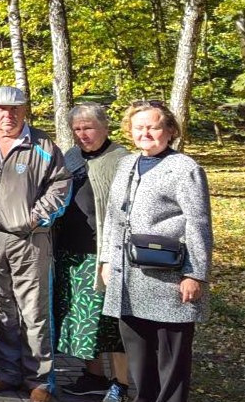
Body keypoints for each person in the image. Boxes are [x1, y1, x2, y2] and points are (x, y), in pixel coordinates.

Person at [100, 101, 212, 402]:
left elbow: (198, 222)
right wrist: (107, 259)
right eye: (139, 127)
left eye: (153, 126)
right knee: (139, 360)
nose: (145, 133)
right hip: (129, 282)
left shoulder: (185, 168)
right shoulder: (126, 164)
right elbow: (112, 216)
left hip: (169, 282)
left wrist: (195, 274)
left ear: (170, 130)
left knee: (171, 363)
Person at [0, 86, 72, 401]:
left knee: (34, 310)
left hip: (31, 240)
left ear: (24, 111)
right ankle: (7, 372)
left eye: (15, 109)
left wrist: (33, 219)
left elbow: (61, 185)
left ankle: (39, 380)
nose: (7, 115)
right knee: (3, 308)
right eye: (1, 108)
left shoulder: (42, 145)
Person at [54, 104, 131, 400]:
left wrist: (111, 256)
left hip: (101, 253)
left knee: (108, 323)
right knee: (81, 322)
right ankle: (94, 375)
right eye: (77, 129)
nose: (82, 134)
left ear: (105, 127)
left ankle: (121, 384)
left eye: (88, 128)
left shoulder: (121, 160)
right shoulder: (71, 156)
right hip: (70, 251)